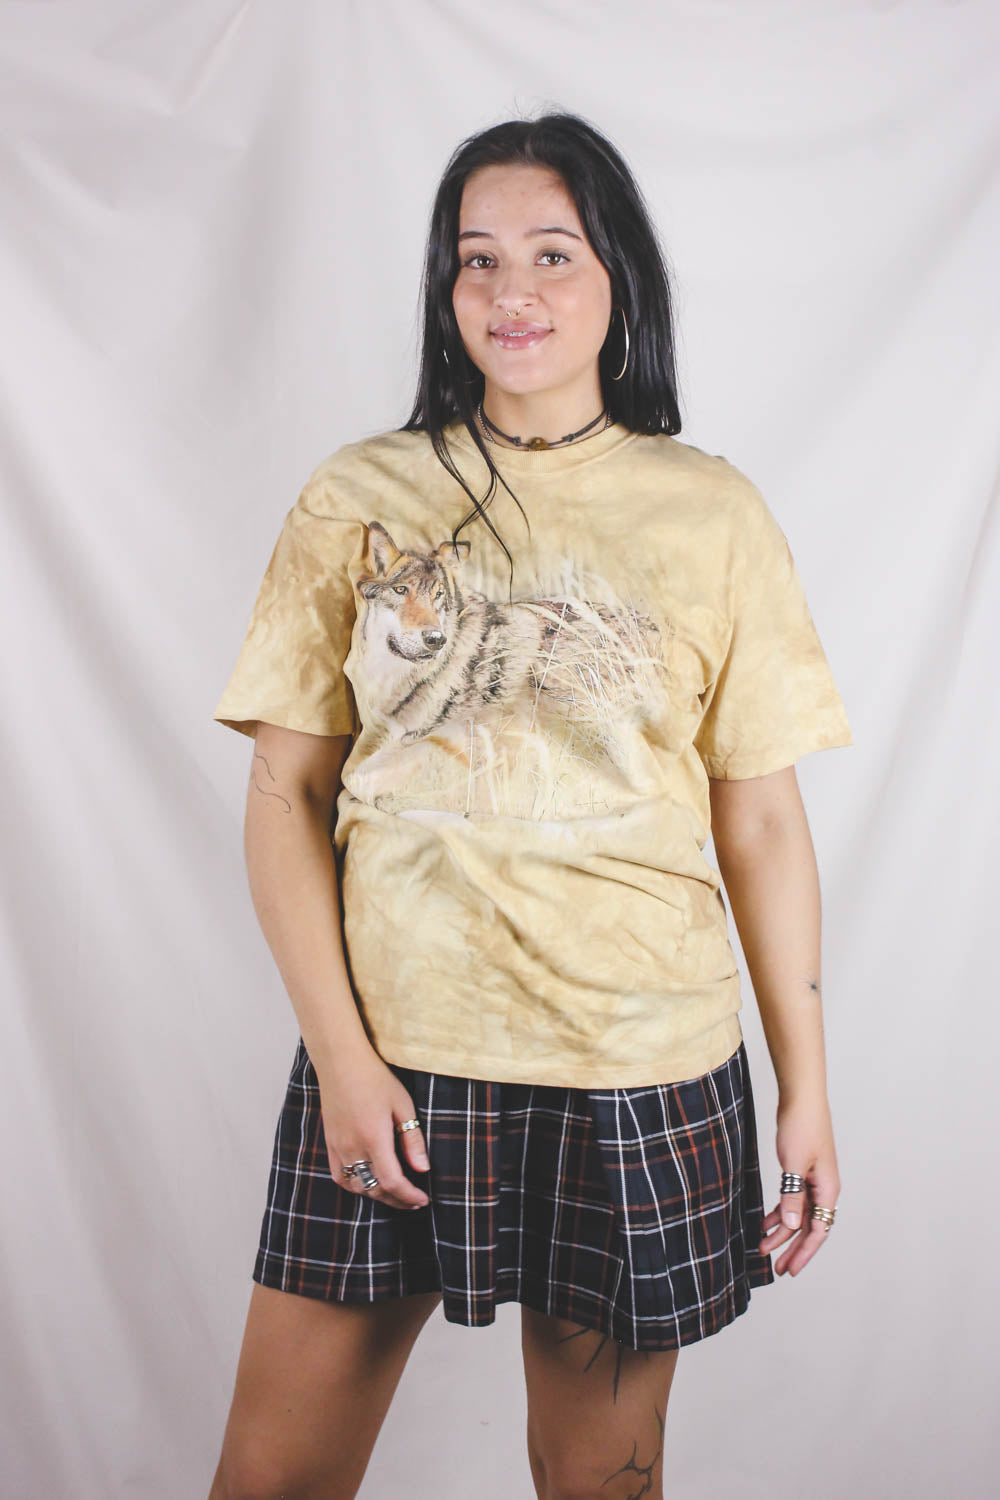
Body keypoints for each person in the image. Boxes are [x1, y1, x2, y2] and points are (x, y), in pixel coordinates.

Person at [206, 110, 851, 1500]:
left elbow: (761, 822)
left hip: (640, 1066)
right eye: (478, 258)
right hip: (396, 1055)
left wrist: (808, 1089)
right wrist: (344, 1063)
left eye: (554, 254)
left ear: (620, 278)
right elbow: (284, 794)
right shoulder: (360, 495)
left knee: (599, 1483)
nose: (513, 292)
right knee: (270, 1480)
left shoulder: (713, 514)